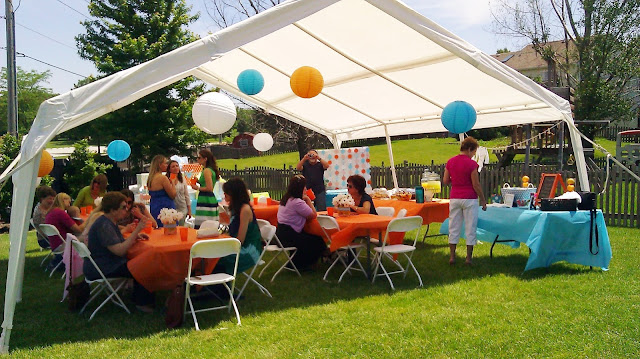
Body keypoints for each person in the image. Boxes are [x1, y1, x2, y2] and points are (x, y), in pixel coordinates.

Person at [84, 192, 155, 312]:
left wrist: (135, 236)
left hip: (101, 263)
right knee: (144, 264)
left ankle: (138, 296)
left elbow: (117, 242)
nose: (126, 210)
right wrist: (137, 230)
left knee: (142, 260)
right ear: (112, 210)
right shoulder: (104, 225)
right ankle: (141, 302)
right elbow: (119, 250)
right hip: (103, 267)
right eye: (123, 207)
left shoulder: (108, 222)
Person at [442, 136, 487, 266]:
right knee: (470, 227)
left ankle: (452, 256)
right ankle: (468, 258)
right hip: (469, 198)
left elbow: (445, 181)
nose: (473, 155)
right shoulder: (472, 164)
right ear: (469, 149)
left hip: (455, 196)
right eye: (473, 152)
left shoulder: (450, 162)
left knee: (454, 226)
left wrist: (455, 181)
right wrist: (483, 200)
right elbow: (476, 184)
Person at [276, 175, 327, 270]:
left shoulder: (286, 199)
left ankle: (297, 262)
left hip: (280, 233)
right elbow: (313, 215)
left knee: (311, 238)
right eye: (304, 187)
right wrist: (308, 200)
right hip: (289, 236)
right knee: (317, 241)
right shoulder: (297, 202)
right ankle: (302, 264)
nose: (306, 189)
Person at [215, 178, 263, 275]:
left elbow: (240, 240)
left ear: (234, 194)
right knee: (212, 254)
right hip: (238, 245)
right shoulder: (236, 208)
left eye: (226, 193)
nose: (224, 195)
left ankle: (219, 286)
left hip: (248, 250)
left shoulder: (245, 210)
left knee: (216, 257)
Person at [44, 193, 85, 270]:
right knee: (89, 236)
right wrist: (88, 221)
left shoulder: (51, 212)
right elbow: (78, 230)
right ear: (63, 200)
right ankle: (90, 262)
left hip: (55, 245)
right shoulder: (60, 213)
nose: (69, 204)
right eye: (69, 202)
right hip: (63, 245)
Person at [191, 149, 220, 229]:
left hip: (206, 198)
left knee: (204, 225)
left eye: (199, 158)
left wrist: (197, 188)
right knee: (209, 224)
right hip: (208, 198)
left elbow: (209, 188)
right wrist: (199, 181)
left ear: (205, 159)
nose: (197, 159)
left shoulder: (207, 171)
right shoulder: (208, 170)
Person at [147, 155, 176, 228]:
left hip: (154, 206)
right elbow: (172, 195)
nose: (167, 165)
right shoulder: (163, 178)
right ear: (160, 165)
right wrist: (172, 183)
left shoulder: (150, 178)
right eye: (165, 163)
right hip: (165, 208)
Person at [166, 160, 192, 225]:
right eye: (173, 166)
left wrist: (189, 210)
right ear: (169, 169)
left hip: (182, 207)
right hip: (172, 207)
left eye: (177, 166)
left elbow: (186, 195)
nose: (175, 168)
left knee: (181, 225)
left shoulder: (182, 179)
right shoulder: (166, 180)